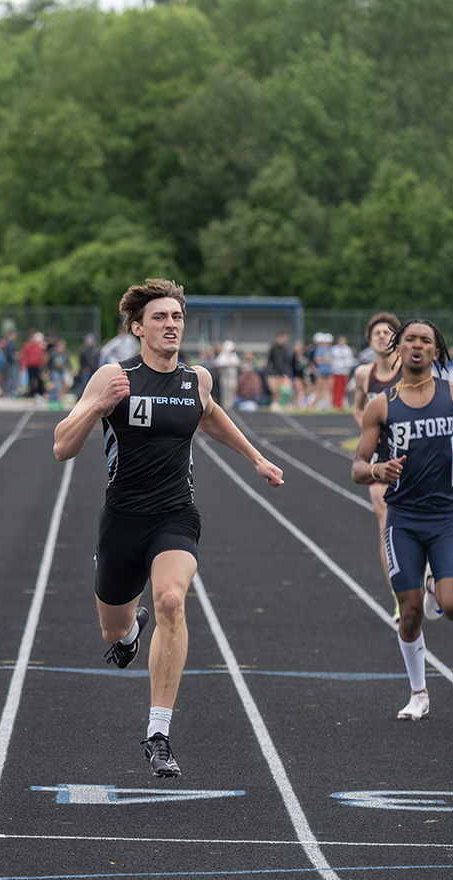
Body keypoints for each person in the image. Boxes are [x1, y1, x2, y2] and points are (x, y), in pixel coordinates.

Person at [53, 279, 284, 778]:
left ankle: (158, 734)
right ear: (137, 328)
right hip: (122, 520)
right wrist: (96, 406)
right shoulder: (114, 376)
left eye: (177, 317)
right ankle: (130, 631)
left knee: (172, 600)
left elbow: (211, 415)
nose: (171, 324)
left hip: (176, 514)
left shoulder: (197, 379)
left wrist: (256, 458)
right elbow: (62, 446)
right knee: (113, 629)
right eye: (160, 317)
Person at [352, 319, 453, 721]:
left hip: (445, 517)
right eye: (410, 339)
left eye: (426, 340)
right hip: (403, 520)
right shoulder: (382, 405)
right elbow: (358, 466)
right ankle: (419, 693)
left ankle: (432, 585)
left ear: (436, 352)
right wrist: (378, 470)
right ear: (399, 349)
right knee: (409, 615)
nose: (418, 345)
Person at [351, 312, 402, 615]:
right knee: (386, 524)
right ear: (370, 341)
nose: (382, 336)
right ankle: (398, 596)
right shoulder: (363, 374)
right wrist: (369, 428)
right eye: (377, 333)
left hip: (410, 453)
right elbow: (358, 408)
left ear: (397, 338)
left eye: (387, 332)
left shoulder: (409, 371)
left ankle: (427, 576)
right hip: (380, 455)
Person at [265, 331, 293, 410]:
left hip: (284, 371)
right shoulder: (274, 348)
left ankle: (287, 403)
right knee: (276, 388)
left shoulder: (285, 348)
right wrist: (269, 372)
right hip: (275, 370)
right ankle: (276, 403)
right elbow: (269, 360)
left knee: (288, 387)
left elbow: (287, 360)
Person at [331, 335, 355, 408]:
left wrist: (347, 365)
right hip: (337, 371)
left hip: (345, 372)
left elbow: (350, 359)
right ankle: (337, 403)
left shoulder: (347, 349)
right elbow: (332, 360)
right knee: (337, 388)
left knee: (344, 388)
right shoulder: (334, 349)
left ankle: (343, 403)